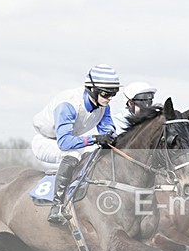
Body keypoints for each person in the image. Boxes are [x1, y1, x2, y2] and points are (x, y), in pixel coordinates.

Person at [31, 64, 121, 224]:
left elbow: (108, 130)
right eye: (106, 93)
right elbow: (65, 143)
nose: (110, 98)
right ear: (92, 89)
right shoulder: (68, 105)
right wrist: (95, 139)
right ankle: (57, 206)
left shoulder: (103, 106)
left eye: (113, 93)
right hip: (47, 141)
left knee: (95, 152)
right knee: (72, 154)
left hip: (69, 139)